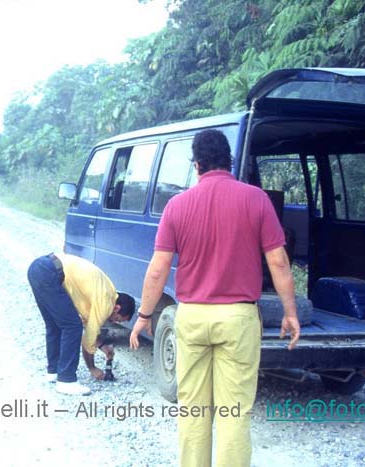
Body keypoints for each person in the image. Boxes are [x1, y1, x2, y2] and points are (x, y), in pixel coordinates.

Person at [129, 129, 300, 467]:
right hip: (237, 319)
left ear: (197, 164)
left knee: (193, 410)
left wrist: (145, 315)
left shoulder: (177, 205)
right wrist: (290, 312)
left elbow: (157, 269)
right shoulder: (256, 199)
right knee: (234, 412)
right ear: (230, 161)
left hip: (191, 316)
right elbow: (278, 261)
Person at [27, 252, 135, 395]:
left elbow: (90, 326)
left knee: (55, 325)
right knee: (72, 326)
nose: (114, 321)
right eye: (118, 319)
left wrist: (102, 345)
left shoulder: (104, 291)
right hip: (51, 273)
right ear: (117, 308)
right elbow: (88, 338)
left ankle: (54, 371)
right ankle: (66, 380)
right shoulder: (106, 302)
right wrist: (93, 369)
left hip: (38, 267)